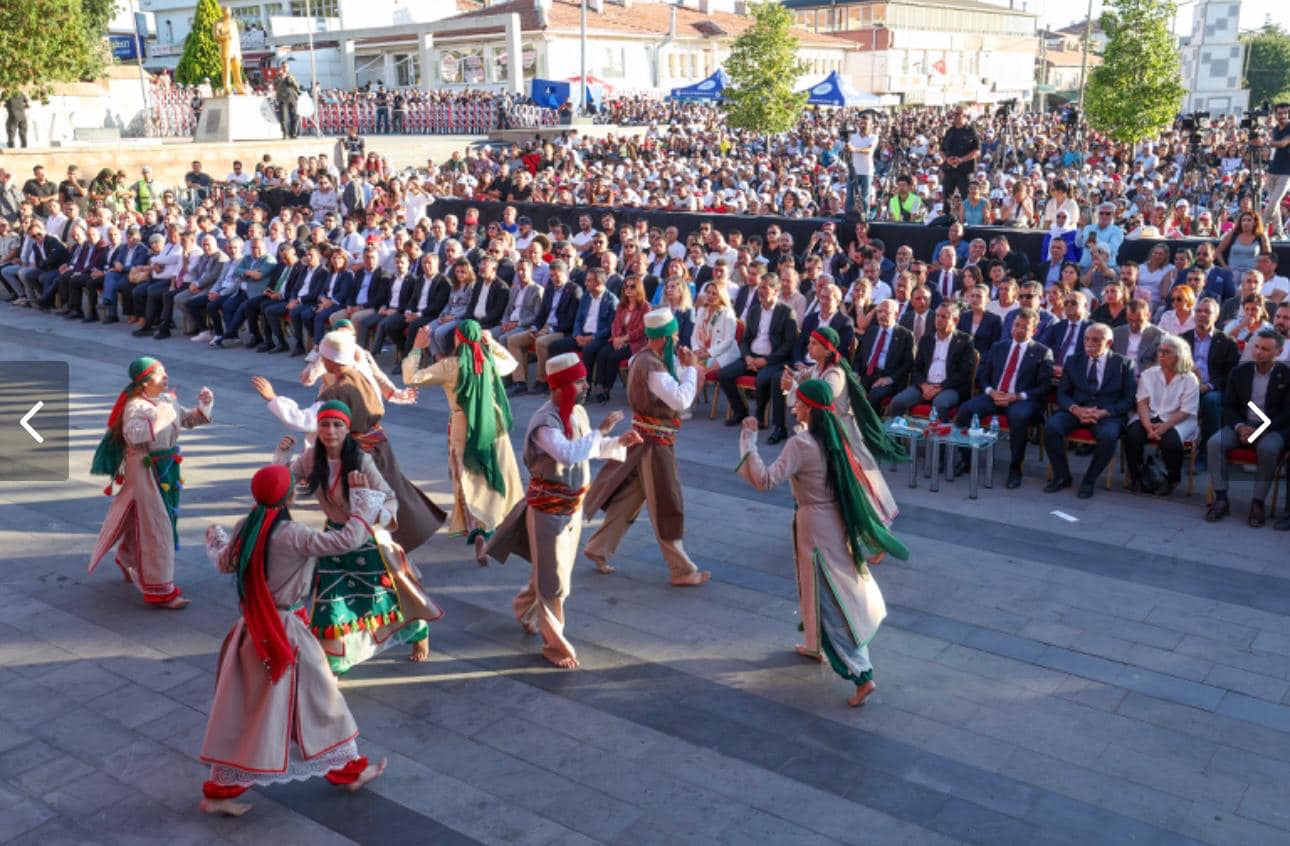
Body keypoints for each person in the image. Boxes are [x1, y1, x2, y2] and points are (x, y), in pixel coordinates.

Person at [199, 463, 389, 817]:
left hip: (252, 630)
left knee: (257, 713)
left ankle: (220, 790)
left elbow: (225, 563)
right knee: (322, 702)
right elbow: (345, 541)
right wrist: (364, 503)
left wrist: (217, 539)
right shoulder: (293, 534)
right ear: (289, 497)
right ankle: (350, 770)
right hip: (285, 631)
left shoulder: (247, 527)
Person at [736, 378, 908, 708]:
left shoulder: (801, 444)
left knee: (830, 597)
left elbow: (765, 480)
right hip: (832, 522)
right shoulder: (834, 437)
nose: (794, 405)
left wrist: (749, 441)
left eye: (799, 402)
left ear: (811, 409)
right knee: (822, 588)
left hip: (814, 527)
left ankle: (862, 673)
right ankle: (815, 645)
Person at [484, 354, 639, 669]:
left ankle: (523, 607)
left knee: (553, 572)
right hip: (548, 511)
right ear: (561, 387)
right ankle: (555, 646)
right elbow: (568, 455)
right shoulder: (545, 423)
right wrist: (604, 428)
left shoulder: (577, 412)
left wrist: (616, 441)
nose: (584, 386)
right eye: (579, 381)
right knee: (556, 582)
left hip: (572, 507)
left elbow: (588, 449)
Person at [273, 402, 438, 672]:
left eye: (337, 425)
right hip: (334, 539)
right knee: (330, 602)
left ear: (347, 429)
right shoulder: (311, 457)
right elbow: (283, 484)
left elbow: (390, 498)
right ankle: (336, 663)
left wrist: (369, 509)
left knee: (388, 597)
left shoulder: (361, 460)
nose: (330, 431)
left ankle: (418, 632)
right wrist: (281, 458)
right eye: (324, 424)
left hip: (365, 537)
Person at [256, 331, 446, 554]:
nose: (321, 361)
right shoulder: (359, 372)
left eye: (323, 357)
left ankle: (378, 550)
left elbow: (307, 420)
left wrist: (272, 398)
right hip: (379, 445)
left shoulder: (337, 392)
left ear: (331, 360)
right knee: (391, 491)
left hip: (358, 453)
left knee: (358, 504)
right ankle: (394, 543)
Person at [582, 307, 710, 585]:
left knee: (630, 497)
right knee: (666, 503)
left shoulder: (645, 358)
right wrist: (691, 370)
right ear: (663, 338)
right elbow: (680, 400)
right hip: (654, 444)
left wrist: (685, 364)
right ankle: (682, 570)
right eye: (674, 337)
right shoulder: (650, 366)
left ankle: (597, 548)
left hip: (646, 439)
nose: (678, 341)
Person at [88, 357, 213, 609]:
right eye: (158, 374)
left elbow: (188, 420)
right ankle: (160, 590)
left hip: (167, 467)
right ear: (144, 382)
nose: (165, 376)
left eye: (165, 371)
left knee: (151, 519)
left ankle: (127, 557)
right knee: (158, 526)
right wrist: (158, 417)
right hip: (144, 469)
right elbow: (133, 434)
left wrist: (205, 405)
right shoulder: (136, 406)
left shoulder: (167, 400)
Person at [403, 319, 524, 564]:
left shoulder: (450, 366)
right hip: (492, 424)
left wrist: (417, 348)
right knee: (494, 471)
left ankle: (478, 529)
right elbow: (513, 364)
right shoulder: (488, 362)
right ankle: (495, 522)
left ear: (457, 339)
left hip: (463, 425)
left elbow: (411, 377)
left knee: (470, 476)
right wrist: (493, 344)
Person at [782, 326, 906, 524]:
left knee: (858, 486)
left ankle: (878, 530)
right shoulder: (817, 368)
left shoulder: (834, 375)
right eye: (810, 342)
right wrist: (792, 378)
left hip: (842, 437)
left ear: (828, 349)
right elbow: (803, 376)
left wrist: (794, 388)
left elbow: (823, 402)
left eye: (815, 344)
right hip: (825, 436)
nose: (809, 347)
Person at [954, 307, 1053, 489]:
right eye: (1017, 325)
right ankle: (966, 459)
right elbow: (983, 377)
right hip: (995, 395)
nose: (1019, 330)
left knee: (1018, 416)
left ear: (1034, 330)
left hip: (1022, 399)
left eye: (1025, 327)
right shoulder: (999, 347)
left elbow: (1044, 386)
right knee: (966, 410)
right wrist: (991, 391)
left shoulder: (1042, 352)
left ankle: (1015, 468)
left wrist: (1017, 396)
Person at [1204, 330, 1290, 527]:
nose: (1259, 352)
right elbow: (1229, 405)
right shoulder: (1239, 372)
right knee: (1214, 443)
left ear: (1279, 351)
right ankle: (1221, 498)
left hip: (1272, 428)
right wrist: (1241, 426)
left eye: (1265, 349)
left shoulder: (1286, 376)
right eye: (1257, 347)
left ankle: (1258, 503)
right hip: (1242, 424)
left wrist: (1259, 432)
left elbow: (1286, 414)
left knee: (1268, 449)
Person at [1042, 323, 1136, 498]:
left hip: (1107, 414)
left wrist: (1104, 412)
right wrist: (1076, 409)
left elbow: (1129, 399)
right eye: (1086, 339)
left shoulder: (1124, 364)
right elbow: (1062, 393)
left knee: (1108, 436)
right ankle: (1062, 475)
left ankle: (1089, 480)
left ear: (1108, 343)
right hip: (1077, 409)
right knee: (1051, 427)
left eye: (1096, 340)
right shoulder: (1073, 360)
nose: (1089, 343)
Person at [717, 276, 799, 442]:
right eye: (760, 288)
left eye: (765, 288)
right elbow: (745, 339)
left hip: (773, 360)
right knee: (724, 374)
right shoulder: (754, 310)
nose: (761, 292)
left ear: (776, 291)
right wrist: (747, 356)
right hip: (751, 357)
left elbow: (788, 344)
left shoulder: (786, 313)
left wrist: (766, 361)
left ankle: (763, 417)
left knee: (763, 379)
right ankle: (741, 410)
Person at [1122, 334, 1199, 497]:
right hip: (1150, 414)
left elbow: (1185, 411)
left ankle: (1172, 479)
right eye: (1160, 351)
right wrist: (1147, 425)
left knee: (1171, 441)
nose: (1161, 355)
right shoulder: (1149, 374)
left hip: (1178, 419)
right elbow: (1142, 402)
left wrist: (1163, 428)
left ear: (1178, 356)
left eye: (1166, 352)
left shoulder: (1190, 379)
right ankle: (1136, 476)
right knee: (1132, 434)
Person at [886, 302, 977, 419]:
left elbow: (964, 373)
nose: (939, 319)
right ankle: (896, 437)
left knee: (939, 404)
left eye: (944, 317)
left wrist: (939, 387)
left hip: (950, 388)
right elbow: (916, 368)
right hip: (925, 386)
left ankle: (940, 436)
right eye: (937, 315)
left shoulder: (965, 341)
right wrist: (924, 385)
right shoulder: (926, 340)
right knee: (897, 402)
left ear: (955, 320)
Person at [1262, 103, 1290, 240]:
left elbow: (1283, 143)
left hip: (1286, 172)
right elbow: (1274, 148)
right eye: (1280, 113)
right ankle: (1279, 233)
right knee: (1275, 204)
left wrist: (1267, 142)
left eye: (1286, 112)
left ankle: (1261, 228)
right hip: (1272, 170)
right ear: (1275, 114)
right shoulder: (1274, 129)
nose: (1283, 115)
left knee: (1272, 202)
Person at [939, 109, 979, 201]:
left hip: (965, 171)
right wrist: (947, 159)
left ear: (965, 116)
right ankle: (949, 215)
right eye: (954, 114)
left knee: (967, 199)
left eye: (957, 114)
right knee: (947, 199)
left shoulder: (971, 131)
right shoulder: (950, 131)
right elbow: (941, 150)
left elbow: (976, 151)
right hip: (949, 170)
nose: (955, 116)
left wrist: (961, 160)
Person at [275, 68, 302, 139]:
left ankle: (294, 133)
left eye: (286, 68)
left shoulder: (291, 77)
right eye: (283, 68)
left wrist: (290, 79)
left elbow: (297, 86)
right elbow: (275, 85)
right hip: (282, 99)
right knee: (283, 117)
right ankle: (285, 133)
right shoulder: (278, 78)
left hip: (292, 98)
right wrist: (281, 78)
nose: (283, 71)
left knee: (295, 116)